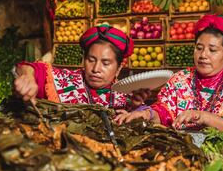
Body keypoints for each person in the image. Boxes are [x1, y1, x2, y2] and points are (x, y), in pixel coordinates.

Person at [115, 14, 223, 131]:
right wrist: (147, 114)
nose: (203, 55)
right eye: (199, 48)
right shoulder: (180, 79)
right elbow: (165, 111)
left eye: (212, 50)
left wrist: (203, 117)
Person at [14, 25, 150, 109]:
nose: (96, 68)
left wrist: (136, 108)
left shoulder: (125, 98)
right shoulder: (65, 80)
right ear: (83, 60)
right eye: (91, 60)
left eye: (106, 63)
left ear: (119, 68)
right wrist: (27, 76)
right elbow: (29, 68)